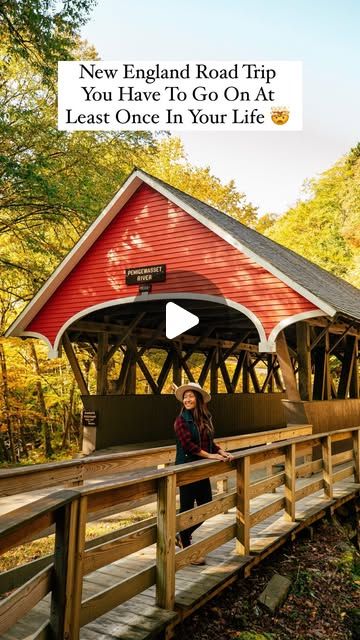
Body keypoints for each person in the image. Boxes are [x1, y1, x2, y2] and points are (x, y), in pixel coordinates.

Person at [173, 382, 234, 564]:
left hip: (201, 468)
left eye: (191, 396)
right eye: (185, 396)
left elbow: (209, 441)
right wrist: (210, 456)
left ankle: (182, 536)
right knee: (187, 508)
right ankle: (187, 548)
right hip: (186, 469)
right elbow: (189, 446)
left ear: (198, 399)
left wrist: (220, 451)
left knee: (206, 506)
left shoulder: (205, 418)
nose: (187, 399)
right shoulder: (180, 421)